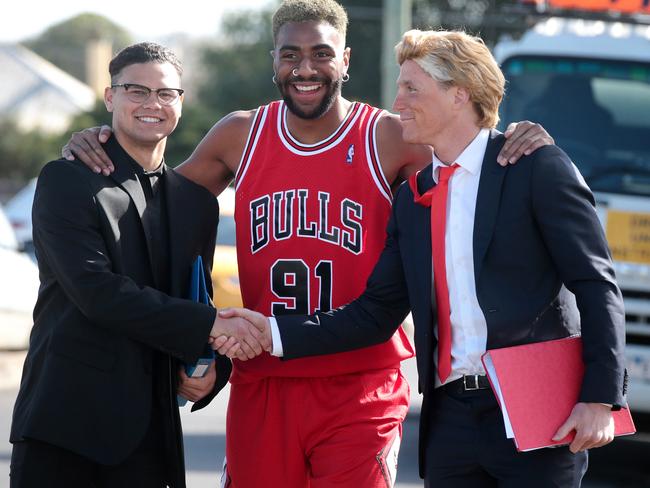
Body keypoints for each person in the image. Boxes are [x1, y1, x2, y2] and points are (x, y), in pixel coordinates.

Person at [62, 2, 553, 486]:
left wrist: (517, 138)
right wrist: (102, 142)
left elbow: (472, 166)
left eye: (321, 53)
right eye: (290, 55)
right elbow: (152, 209)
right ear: (273, 60)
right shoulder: (240, 134)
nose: (304, 68)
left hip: (360, 378)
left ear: (345, 59)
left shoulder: (390, 136)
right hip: (264, 374)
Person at [224, 29, 627, 487]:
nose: (397, 102)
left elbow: (596, 284)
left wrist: (600, 397)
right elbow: (375, 313)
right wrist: (272, 331)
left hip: (537, 408)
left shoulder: (535, 166)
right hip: (450, 419)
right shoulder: (413, 197)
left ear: (460, 94)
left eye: (412, 88)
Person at [9, 42, 266, 488]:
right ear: (110, 97)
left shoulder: (196, 205)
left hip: (152, 437)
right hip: (65, 430)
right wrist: (211, 325)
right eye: (135, 90)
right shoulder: (67, 180)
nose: (152, 104)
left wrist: (213, 371)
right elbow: (96, 293)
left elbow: (195, 296)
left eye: (165, 93)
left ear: (181, 103)